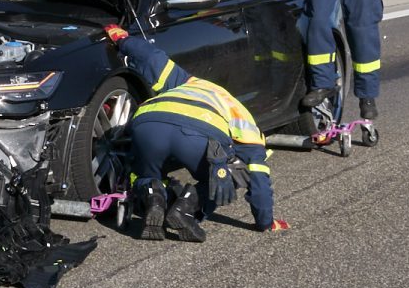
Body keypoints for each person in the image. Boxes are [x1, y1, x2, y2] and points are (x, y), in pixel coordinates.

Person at [105, 24, 289, 241]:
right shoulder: (247, 125)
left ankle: (154, 198)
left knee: (147, 173)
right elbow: (258, 179)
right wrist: (266, 222)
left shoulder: (189, 82)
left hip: (147, 122)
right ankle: (186, 209)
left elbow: (150, 57)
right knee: (232, 173)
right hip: (195, 133)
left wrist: (123, 39)